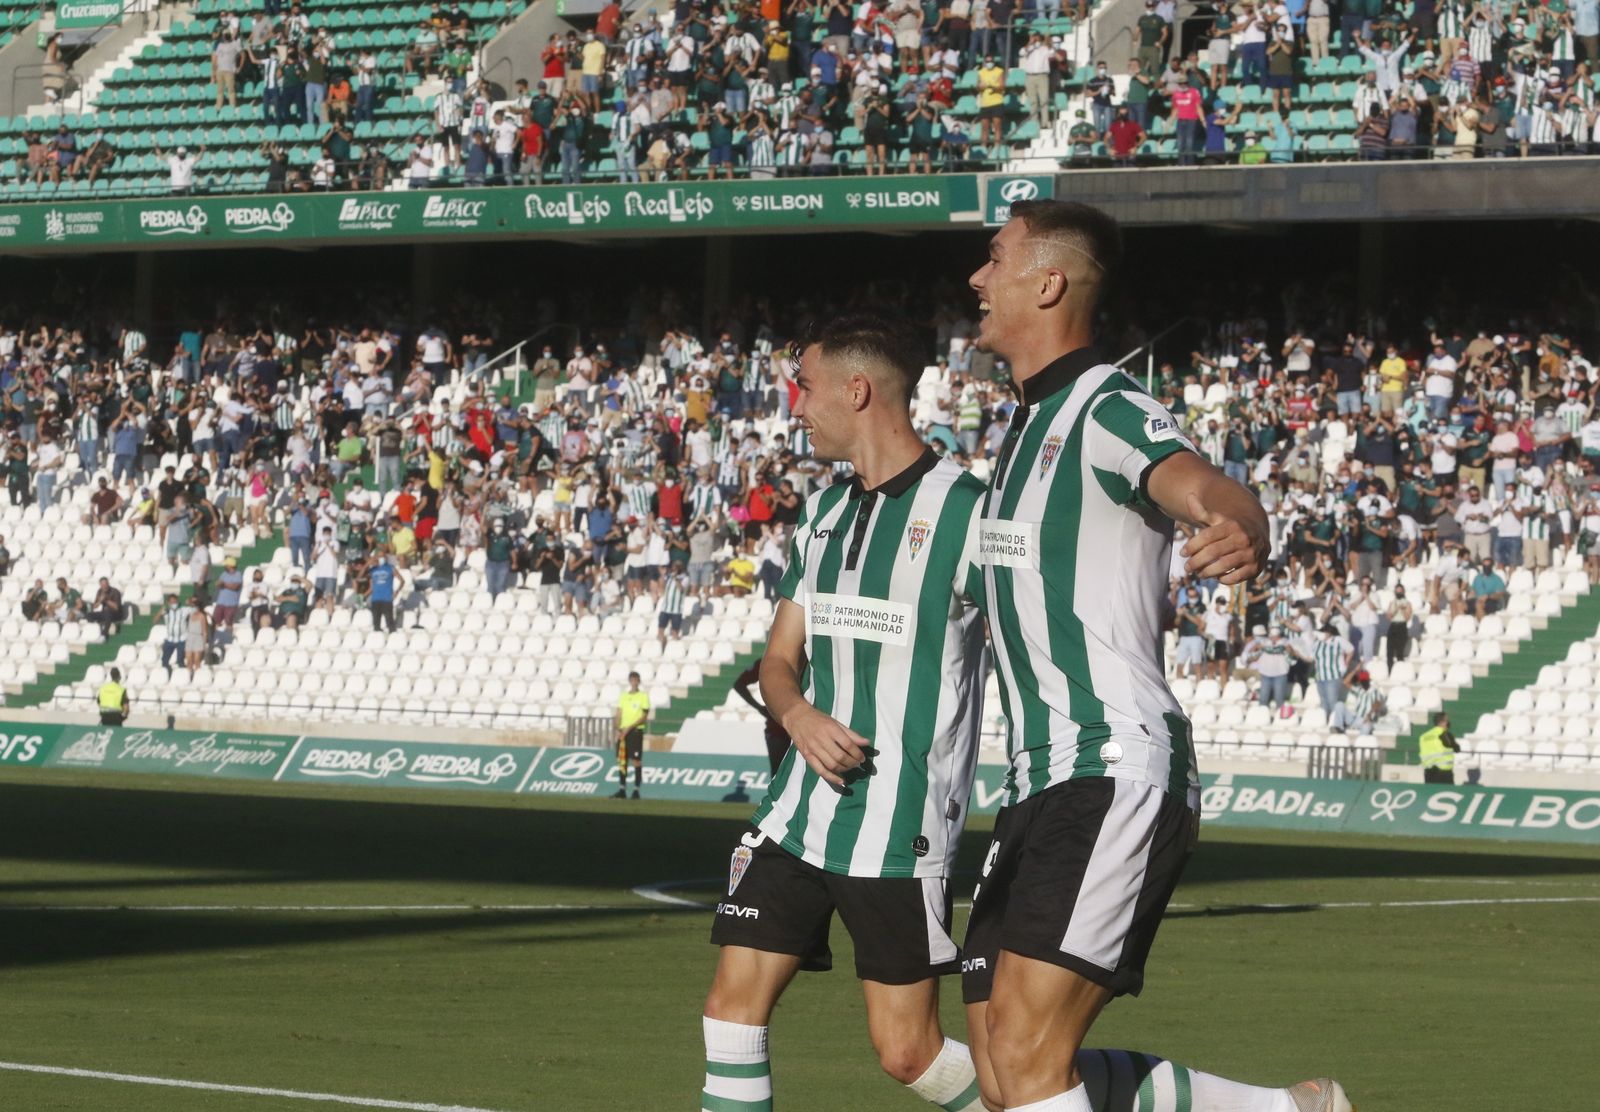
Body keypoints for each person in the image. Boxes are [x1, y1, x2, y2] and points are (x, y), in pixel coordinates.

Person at [961, 200, 1349, 1112]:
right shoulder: (1021, 429)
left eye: (995, 259)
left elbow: (1201, 483)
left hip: (1110, 758)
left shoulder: (1107, 407)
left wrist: (1242, 524)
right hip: (1037, 779)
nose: (977, 279)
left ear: (1048, 281)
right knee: (998, 1068)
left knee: (1024, 1052)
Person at [701, 313, 991, 1112]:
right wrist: (794, 715)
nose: (795, 405)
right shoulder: (824, 514)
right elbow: (778, 660)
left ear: (857, 390)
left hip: (898, 822)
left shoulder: (971, 513)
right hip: (798, 810)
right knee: (731, 1011)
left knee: (907, 1055)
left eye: (805, 386)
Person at [614, 671, 650, 798]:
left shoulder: (643, 696)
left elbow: (644, 716)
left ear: (639, 681)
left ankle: (636, 790)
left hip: (634, 732)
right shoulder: (624, 696)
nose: (634, 682)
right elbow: (618, 713)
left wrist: (629, 728)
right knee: (622, 760)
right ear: (629, 681)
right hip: (623, 732)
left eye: (636, 680)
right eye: (632, 680)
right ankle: (622, 789)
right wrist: (617, 728)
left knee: (636, 760)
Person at [1418, 711, 1459, 783]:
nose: (1448, 723)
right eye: (1447, 720)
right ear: (1444, 722)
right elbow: (1457, 749)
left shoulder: (1423, 736)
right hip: (1443, 772)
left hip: (1428, 771)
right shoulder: (1444, 734)